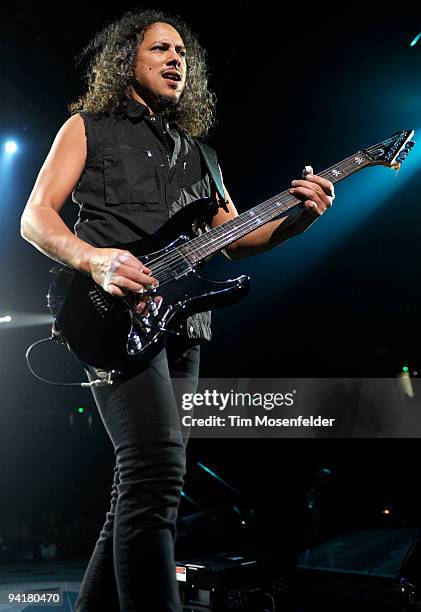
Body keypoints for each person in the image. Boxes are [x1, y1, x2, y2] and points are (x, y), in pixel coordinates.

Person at [20, 8, 334, 611]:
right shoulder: (88, 128)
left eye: (183, 54)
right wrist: (97, 261)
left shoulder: (203, 156)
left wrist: (299, 218)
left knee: (142, 483)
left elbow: (237, 236)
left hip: (183, 323)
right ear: (125, 62)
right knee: (157, 471)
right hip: (109, 314)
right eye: (160, 50)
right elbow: (35, 217)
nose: (176, 61)